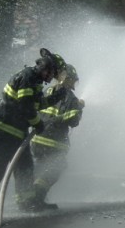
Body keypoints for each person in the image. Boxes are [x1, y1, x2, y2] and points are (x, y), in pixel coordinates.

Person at [0, 48, 65, 213]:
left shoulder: (34, 82)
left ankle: (26, 202)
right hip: (0, 133)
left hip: (15, 135)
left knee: (25, 167)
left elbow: (36, 104)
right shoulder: (27, 77)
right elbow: (25, 106)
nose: (52, 78)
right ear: (48, 69)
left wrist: (55, 97)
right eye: (53, 73)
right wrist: (37, 124)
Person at [28, 64, 85, 212]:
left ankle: (28, 199)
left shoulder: (47, 91)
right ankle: (38, 198)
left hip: (36, 140)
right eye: (73, 80)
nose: (74, 84)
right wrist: (79, 108)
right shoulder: (70, 97)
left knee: (40, 168)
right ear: (66, 79)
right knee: (58, 166)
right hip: (53, 142)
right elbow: (73, 121)